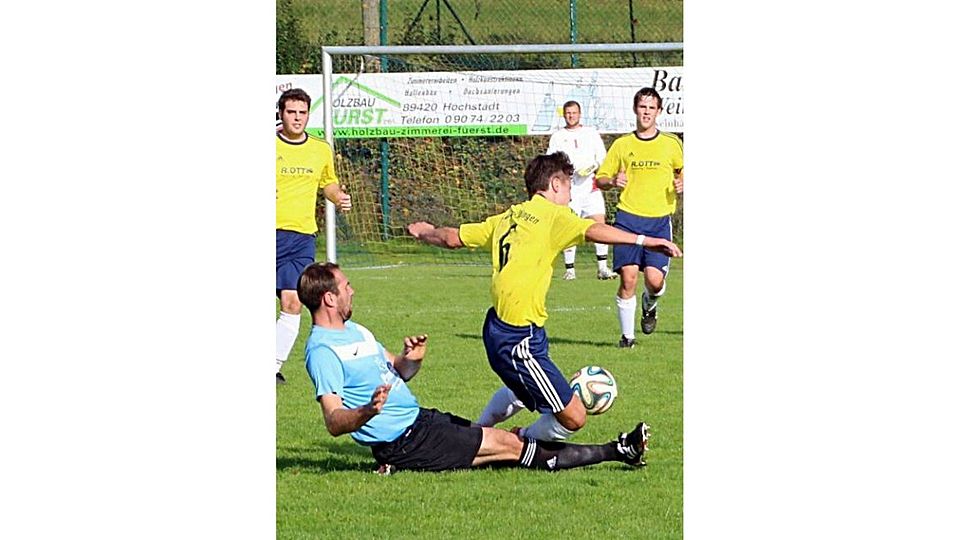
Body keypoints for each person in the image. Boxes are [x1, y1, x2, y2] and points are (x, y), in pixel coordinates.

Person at [407, 152, 681, 442]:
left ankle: (477, 431)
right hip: (517, 339)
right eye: (568, 187)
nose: (571, 196)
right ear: (554, 185)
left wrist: (426, 232)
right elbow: (595, 230)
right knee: (574, 417)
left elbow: (452, 238)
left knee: (522, 391)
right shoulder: (554, 216)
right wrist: (646, 240)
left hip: (504, 328)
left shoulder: (509, 215)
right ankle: (515, 439)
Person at [299, 261, 651, 473]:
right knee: (513, 446)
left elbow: (398, 371)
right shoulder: (322, 351)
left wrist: (412, 359)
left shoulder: (356, 330)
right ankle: (618, 450)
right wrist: (367, 411)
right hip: (406, 440)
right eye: (346, 286)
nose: (352, 290)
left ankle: (617, 450)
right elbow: (333, 422)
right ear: (330, 298)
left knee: (502, 445)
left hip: (421, 422)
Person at [595, 88, 683, 348]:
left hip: (658, 221)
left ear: (659, 111)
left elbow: (684, 169)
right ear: (635, 109)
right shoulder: (622, 145)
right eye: (642, 107)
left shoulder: (671, 143)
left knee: (654, 282)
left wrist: (682, 182)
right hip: (628, 219)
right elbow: (600, 179)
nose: (646, 112)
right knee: (628, 277)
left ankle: (650, 303)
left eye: (651, 108)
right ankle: (627, 338)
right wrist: (611, 180)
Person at [276, 88, 352, 384]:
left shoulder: (320, 149)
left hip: (301, 237)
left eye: (302, 113)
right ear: (280, 114)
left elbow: (328, 184)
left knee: (293, 302)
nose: (297, 118)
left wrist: (338, 197)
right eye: (291, 112)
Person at [546, 100, 616, 281]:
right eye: (568, 113)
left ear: (580, 114)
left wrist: (593, 166)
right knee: (570, 227)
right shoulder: (558, 136)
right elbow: (551, 161)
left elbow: (603, 158)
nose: (571, 116)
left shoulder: (591, 133)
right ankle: (570, 269)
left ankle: (602, 267)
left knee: (599, 224)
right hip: (569, 189)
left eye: (574, 113)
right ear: (564, 115)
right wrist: (565, 171)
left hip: (591, 187)